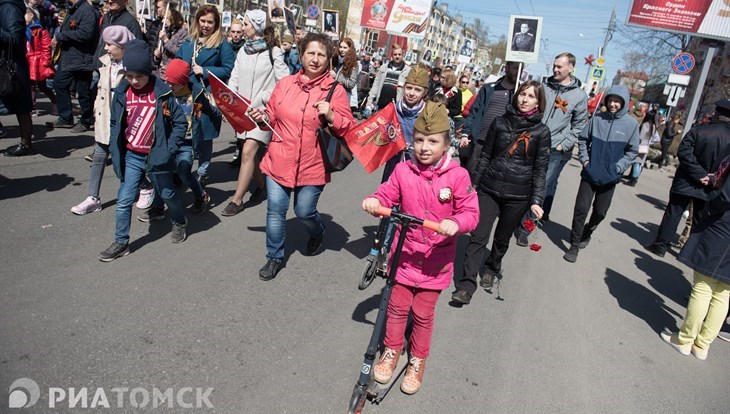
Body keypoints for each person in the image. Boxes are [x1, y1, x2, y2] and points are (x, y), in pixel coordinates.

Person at [363, 101, 479, 394]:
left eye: (433, 141)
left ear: (446, 143)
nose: (425, 147)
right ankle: (391, 350)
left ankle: (417, 360)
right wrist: (376, 202)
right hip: (405, 254)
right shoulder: (403, 170)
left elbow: (471, 212)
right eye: (420, 140)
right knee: (398, 306)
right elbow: (387, 193)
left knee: (424, 314)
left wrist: (457, 222)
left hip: (435, 259)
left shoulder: (457, 176)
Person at [247, 32, 355, 281]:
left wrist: (331, 115)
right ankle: (274, 257)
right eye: (311, 53)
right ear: (302, 53)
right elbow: (272, 116)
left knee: (304, 211)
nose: (315, 59)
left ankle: (317, 232)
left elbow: (348, 127)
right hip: (279, 158)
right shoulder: (285, 84)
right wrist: (262, 117)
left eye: (321, 55)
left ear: (329, 59)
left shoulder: (335, 91)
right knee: (276, 209)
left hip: (313, 163)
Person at [452, 80, 551, 304]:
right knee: (478, 236)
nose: (525, 100)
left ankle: (492, 266)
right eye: (522, 94)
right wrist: (473, 186)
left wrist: (536, 200)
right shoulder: (499, 122)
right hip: (489, 187)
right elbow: (485, 157)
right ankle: (466, 285)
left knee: (502, 238)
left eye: (531, 96)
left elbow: (540, 169)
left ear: (539, 102)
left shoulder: (541, 132)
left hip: (518, 195)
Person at [100, 40, 188, 261]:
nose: (134, 81)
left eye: (139, 76)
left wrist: (168, 149)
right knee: (124, 199)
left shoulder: (162, 94)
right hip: (132, 155)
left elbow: (180, 123)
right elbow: (115, 123)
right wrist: (114, 146)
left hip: (157, 156)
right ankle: (121, 241)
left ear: (149, 72)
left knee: (167, 194)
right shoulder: (122, 94)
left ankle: (178, 220)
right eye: (129, 75)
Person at [660, 152, 730, 360]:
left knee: (703, 285)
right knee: (723, 292)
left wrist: (709, 209)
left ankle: (685, 339)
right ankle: (702, 345)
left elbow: (726, 197)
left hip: (724, 227)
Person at [514, 52, 588, 244]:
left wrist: (565, 143)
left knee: (542, 187)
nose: (555, 69)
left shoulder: (579, 96)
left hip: (554, 149)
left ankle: (526, 228)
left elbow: (580, 124)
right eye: (554, 66)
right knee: (524, 182)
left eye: (560, 66)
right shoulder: (543, 87)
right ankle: (515, 217)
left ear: (571, 68)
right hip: (532, 142)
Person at [222, 9, 289, 217]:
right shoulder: (244, 50)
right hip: (242, 111)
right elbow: (234, 76)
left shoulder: (274, 51)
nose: (243, 27)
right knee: (247, 152)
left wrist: (262, 98)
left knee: (249, 151)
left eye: (247, 24)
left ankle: (237, 200)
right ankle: (260, 186)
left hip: (261, 113)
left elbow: (284, 82)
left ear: (257, 27)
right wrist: (230, 101)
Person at [644, 99, 730, 258]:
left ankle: (660, 246)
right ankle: (691, 253)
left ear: (716, 113)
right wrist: (710, 178)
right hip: (711, 187)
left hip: (686, 181)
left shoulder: (699, 130)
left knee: (674, 213)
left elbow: (683, 152)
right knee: (700, 220)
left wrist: (699, 174)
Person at [563, 85, 639, 263]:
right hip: (589, 174)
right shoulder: (597, 119)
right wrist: (585, 160)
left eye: (617, 101)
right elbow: (583, 139)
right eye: (611, 100)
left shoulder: (631, 125)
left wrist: (618, 168)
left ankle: (588, 231)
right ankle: (574, 246)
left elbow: (632, 151)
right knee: (580, 210)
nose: (613, 104)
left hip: (610, 178)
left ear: (624, 103)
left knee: (600, 212)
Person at [71, 25, 134, 215]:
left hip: (125, 121)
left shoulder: (133, 67)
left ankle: (142, 189)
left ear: (122, 46)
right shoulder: (105, 63)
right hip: (105, 117)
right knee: (99, 155)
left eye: (109, 44)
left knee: (125, 160)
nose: (106, 48)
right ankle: (93, 197)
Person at [147, 58, 219, 216]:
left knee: (184, 171)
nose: (169, 86)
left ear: (184, 81)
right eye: (168, 82)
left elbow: (208, 110)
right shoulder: (165, 95)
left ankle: (200, 195)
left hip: (187, 142)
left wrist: (219, 116)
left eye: (174, 83)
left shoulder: (196, 94)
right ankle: (158, 206)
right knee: (162, 171)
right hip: (168, 139)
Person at [175, 4, 235, 188]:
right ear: (197, 20)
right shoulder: (189, 41)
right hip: (185, 95)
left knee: (203, 136)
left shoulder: (221, 44)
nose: (206, 25)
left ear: (216, 23)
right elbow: (178, 61)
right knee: (184, 133)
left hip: (205, 96)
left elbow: (228, 68)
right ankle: (181, 169)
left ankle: (201, 171)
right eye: (203, 21)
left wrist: (205, 70)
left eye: (210, 22)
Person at [47, 0, 100, 133]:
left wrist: (62, 36)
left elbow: (86, 34)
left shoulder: (87, 10)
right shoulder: (74, 9)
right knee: (59, 84)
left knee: (83, 92)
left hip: (82, 58)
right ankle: (65, 118)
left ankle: (86, 121)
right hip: (70, 58)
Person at [459, 61, 520, 172]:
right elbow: (474, 112)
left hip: (501, 145)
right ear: (506, 68)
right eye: (515, 68)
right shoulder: (489, 89)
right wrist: (465, 133)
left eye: (521, 69)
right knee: (471, 175)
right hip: (480, 141)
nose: (518, 72)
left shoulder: (520, 94)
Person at [380, 64, 430, 182]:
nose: (411, 93)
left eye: (417, 90)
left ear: (424, 93)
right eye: (409, 88)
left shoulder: (428, 115)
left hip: (415, 166)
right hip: (393, 162)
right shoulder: (394, 110)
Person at [1, 0, 34, 156]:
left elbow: (14, 39)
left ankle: (26, 144)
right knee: (22, 106)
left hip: (11, 67)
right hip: (9, 65)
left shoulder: (10, 7)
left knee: (22, 107)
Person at [25, 6, 56, 117]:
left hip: (38, 62)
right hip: (28, 61)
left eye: (25, 15)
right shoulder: (24, 30)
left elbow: (46, 47)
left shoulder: (40, 31)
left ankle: (55, 101)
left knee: (42, 86)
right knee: (30, 85)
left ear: (31, 15)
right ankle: (31, 107)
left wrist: (46, 62)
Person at [367, 44, 410, 111]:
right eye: (395, 54)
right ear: (392, 55)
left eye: (399, 54)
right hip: (381, 105)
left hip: (396, 107)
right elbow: (376, 85)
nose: (397, 56)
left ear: (402, 55)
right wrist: (370, 100)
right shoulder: (383, 67)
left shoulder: (407, 70)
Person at [625, 109, 658, 186]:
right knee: (640, 164)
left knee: (636, 163)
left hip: (640, 145)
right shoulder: (653, 126)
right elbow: (656, 138)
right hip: (646, 147)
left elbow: (640, 137)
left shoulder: (645, 125)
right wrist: (650, 142)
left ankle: (633, 179)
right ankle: (634, 178)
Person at [153, 8, 187, 79]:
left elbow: (179, 52)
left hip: (172, 74)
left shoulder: (182, 33)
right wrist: (157, 56)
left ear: (173, 20)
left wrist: (166, 40)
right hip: (160, 73)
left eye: (166, 18)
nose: (163, 21)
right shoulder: (165, 32)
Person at [331, 37, 359, 112]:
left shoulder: (353, 64)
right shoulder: (335, 60)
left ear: (350, 49)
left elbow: (351, 84)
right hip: (331, 94)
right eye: (340, 47)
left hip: (342, 97)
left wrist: (336, 77)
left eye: (345, 48)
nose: (342, 50)